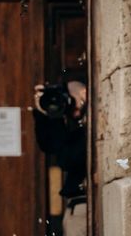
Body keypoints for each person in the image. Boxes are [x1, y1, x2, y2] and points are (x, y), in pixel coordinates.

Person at [33, 78, 87, 236]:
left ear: (84, 93)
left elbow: (67, 158)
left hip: (85, 206)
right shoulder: (74, 125)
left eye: (72, 101)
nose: (71, 109)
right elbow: (52, 147)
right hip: (78, 207)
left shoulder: (93, 124)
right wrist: (45, 114)